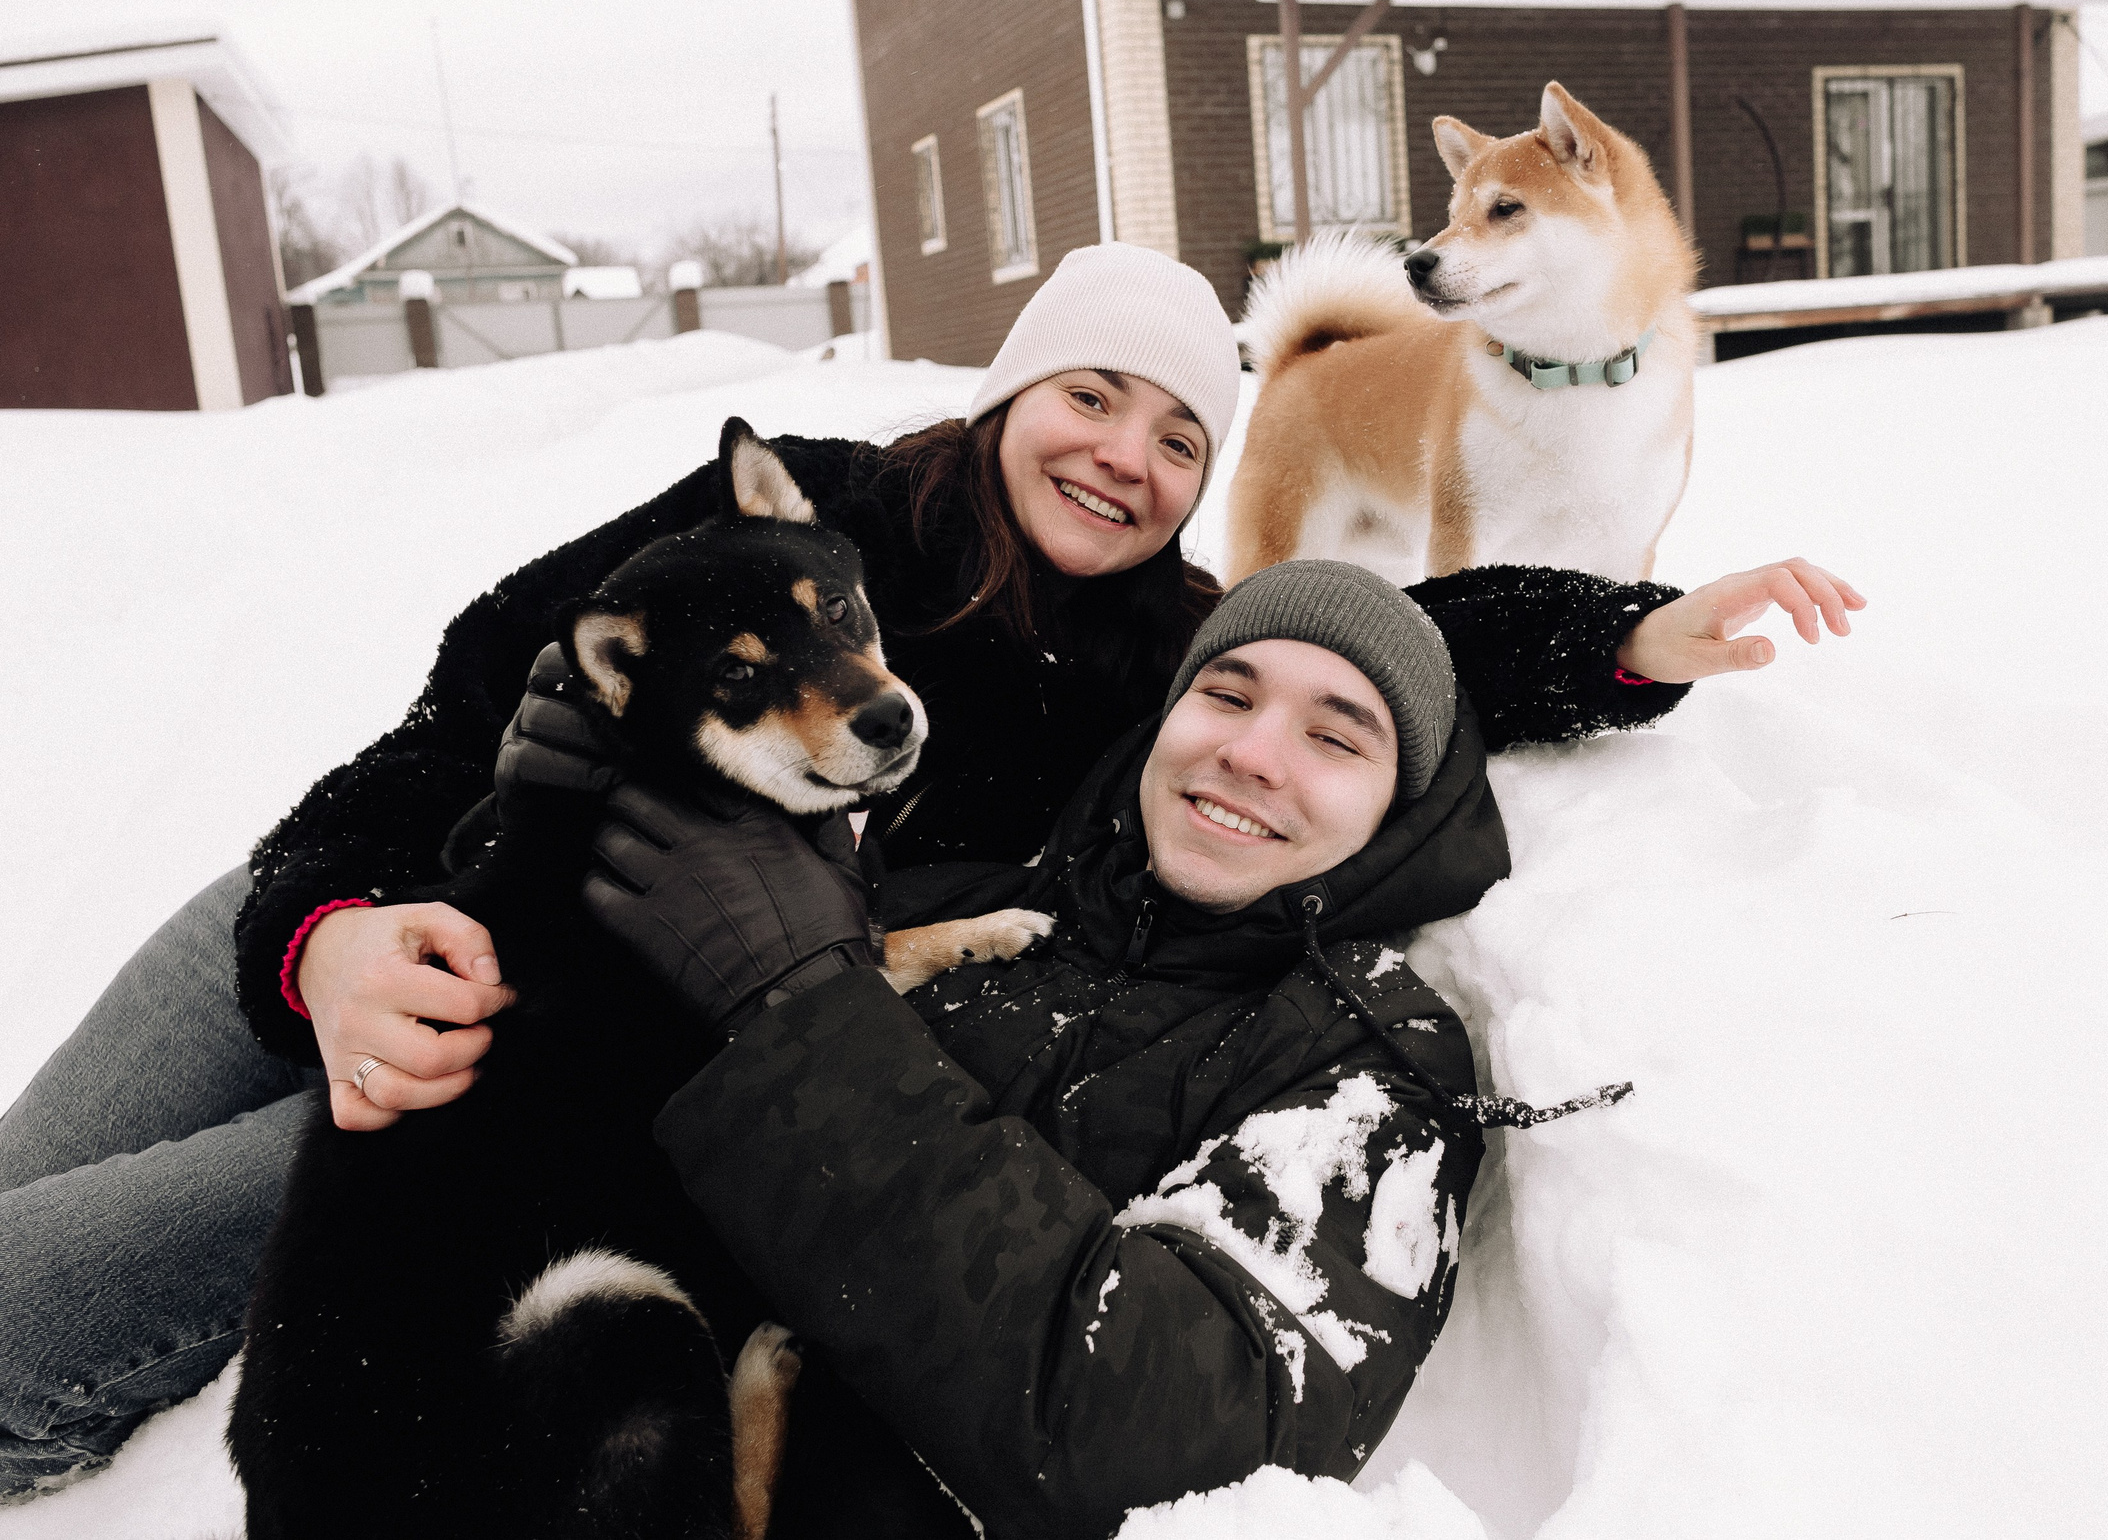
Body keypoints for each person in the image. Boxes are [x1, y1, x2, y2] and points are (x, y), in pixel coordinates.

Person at [0, 241, 1862, 1498]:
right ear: (1010, 394)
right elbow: (468, 700)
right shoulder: (805, 509)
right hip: (338, 906)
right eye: (1092, 399)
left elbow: (1379, 642)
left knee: (22, 1316)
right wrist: (321, 932)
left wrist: (1622, 636)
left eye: (1181, 434)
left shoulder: (1150, 672)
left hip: (499, 1043)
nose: (1128, 457)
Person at [602, 560, 1515, 1536]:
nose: (1252, 753)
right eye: (1224, 694)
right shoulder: (958, 909)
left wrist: (808, 1020)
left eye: (1334, 737)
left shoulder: (1375, 1063)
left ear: (1399, 813)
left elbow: (1172, 1445)